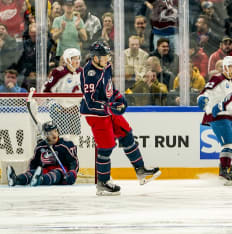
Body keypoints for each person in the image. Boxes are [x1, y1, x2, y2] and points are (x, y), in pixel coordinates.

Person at [80, 41, 161, 196]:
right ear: (95, 58)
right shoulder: (88, 73)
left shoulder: (107, 66)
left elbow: (110, 88)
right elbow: (90, 102)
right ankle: (102, 183)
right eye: (104, 56)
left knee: (126, 133)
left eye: (107, 56)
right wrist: (108, 107)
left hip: (108, 109)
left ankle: (141, 171)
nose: (107, 59)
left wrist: (119, 98)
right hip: (95, 114)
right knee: (106, 146)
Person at [197, 56, 232, 181]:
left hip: (230, 116)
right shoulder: (217, 79)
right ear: (225, 67)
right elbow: (205, 93)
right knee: (229, 143)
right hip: (216, 115)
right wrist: (202, 99)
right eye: (231, 66)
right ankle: (224, 171)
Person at [6, 121, 79, 186]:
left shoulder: (65, 145)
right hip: (46, 170)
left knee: (55, 173)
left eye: (55, 131)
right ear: (45, 135)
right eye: (50, 133)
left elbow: (73, 161)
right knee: (32, 173)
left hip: (62, 173)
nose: (54, 135)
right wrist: (32, 173)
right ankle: (16, 180)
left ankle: (40, 180)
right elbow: (34, 163)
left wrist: (72, 173)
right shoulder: (40, 147)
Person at [43, 48, 82, 137]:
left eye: (78, 58)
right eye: (74, 58)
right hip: (60, 109)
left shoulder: (82, 72)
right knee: (62, 135)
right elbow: (46, 90)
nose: (77, 61)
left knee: (74, 136)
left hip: (75, 109)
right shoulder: (58, 72)